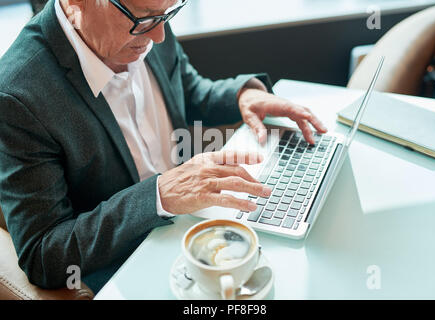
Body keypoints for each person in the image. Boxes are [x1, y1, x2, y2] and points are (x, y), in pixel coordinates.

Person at [0, 0, 327, 293]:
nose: (158, 36)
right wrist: (158, 194)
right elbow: (44, 255)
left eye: (169, 12)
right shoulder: (17, 96)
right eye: (143, 19)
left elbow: (187, 89)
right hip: (131, 264)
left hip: (199, 223)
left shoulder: (151, 19)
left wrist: (242, 96)